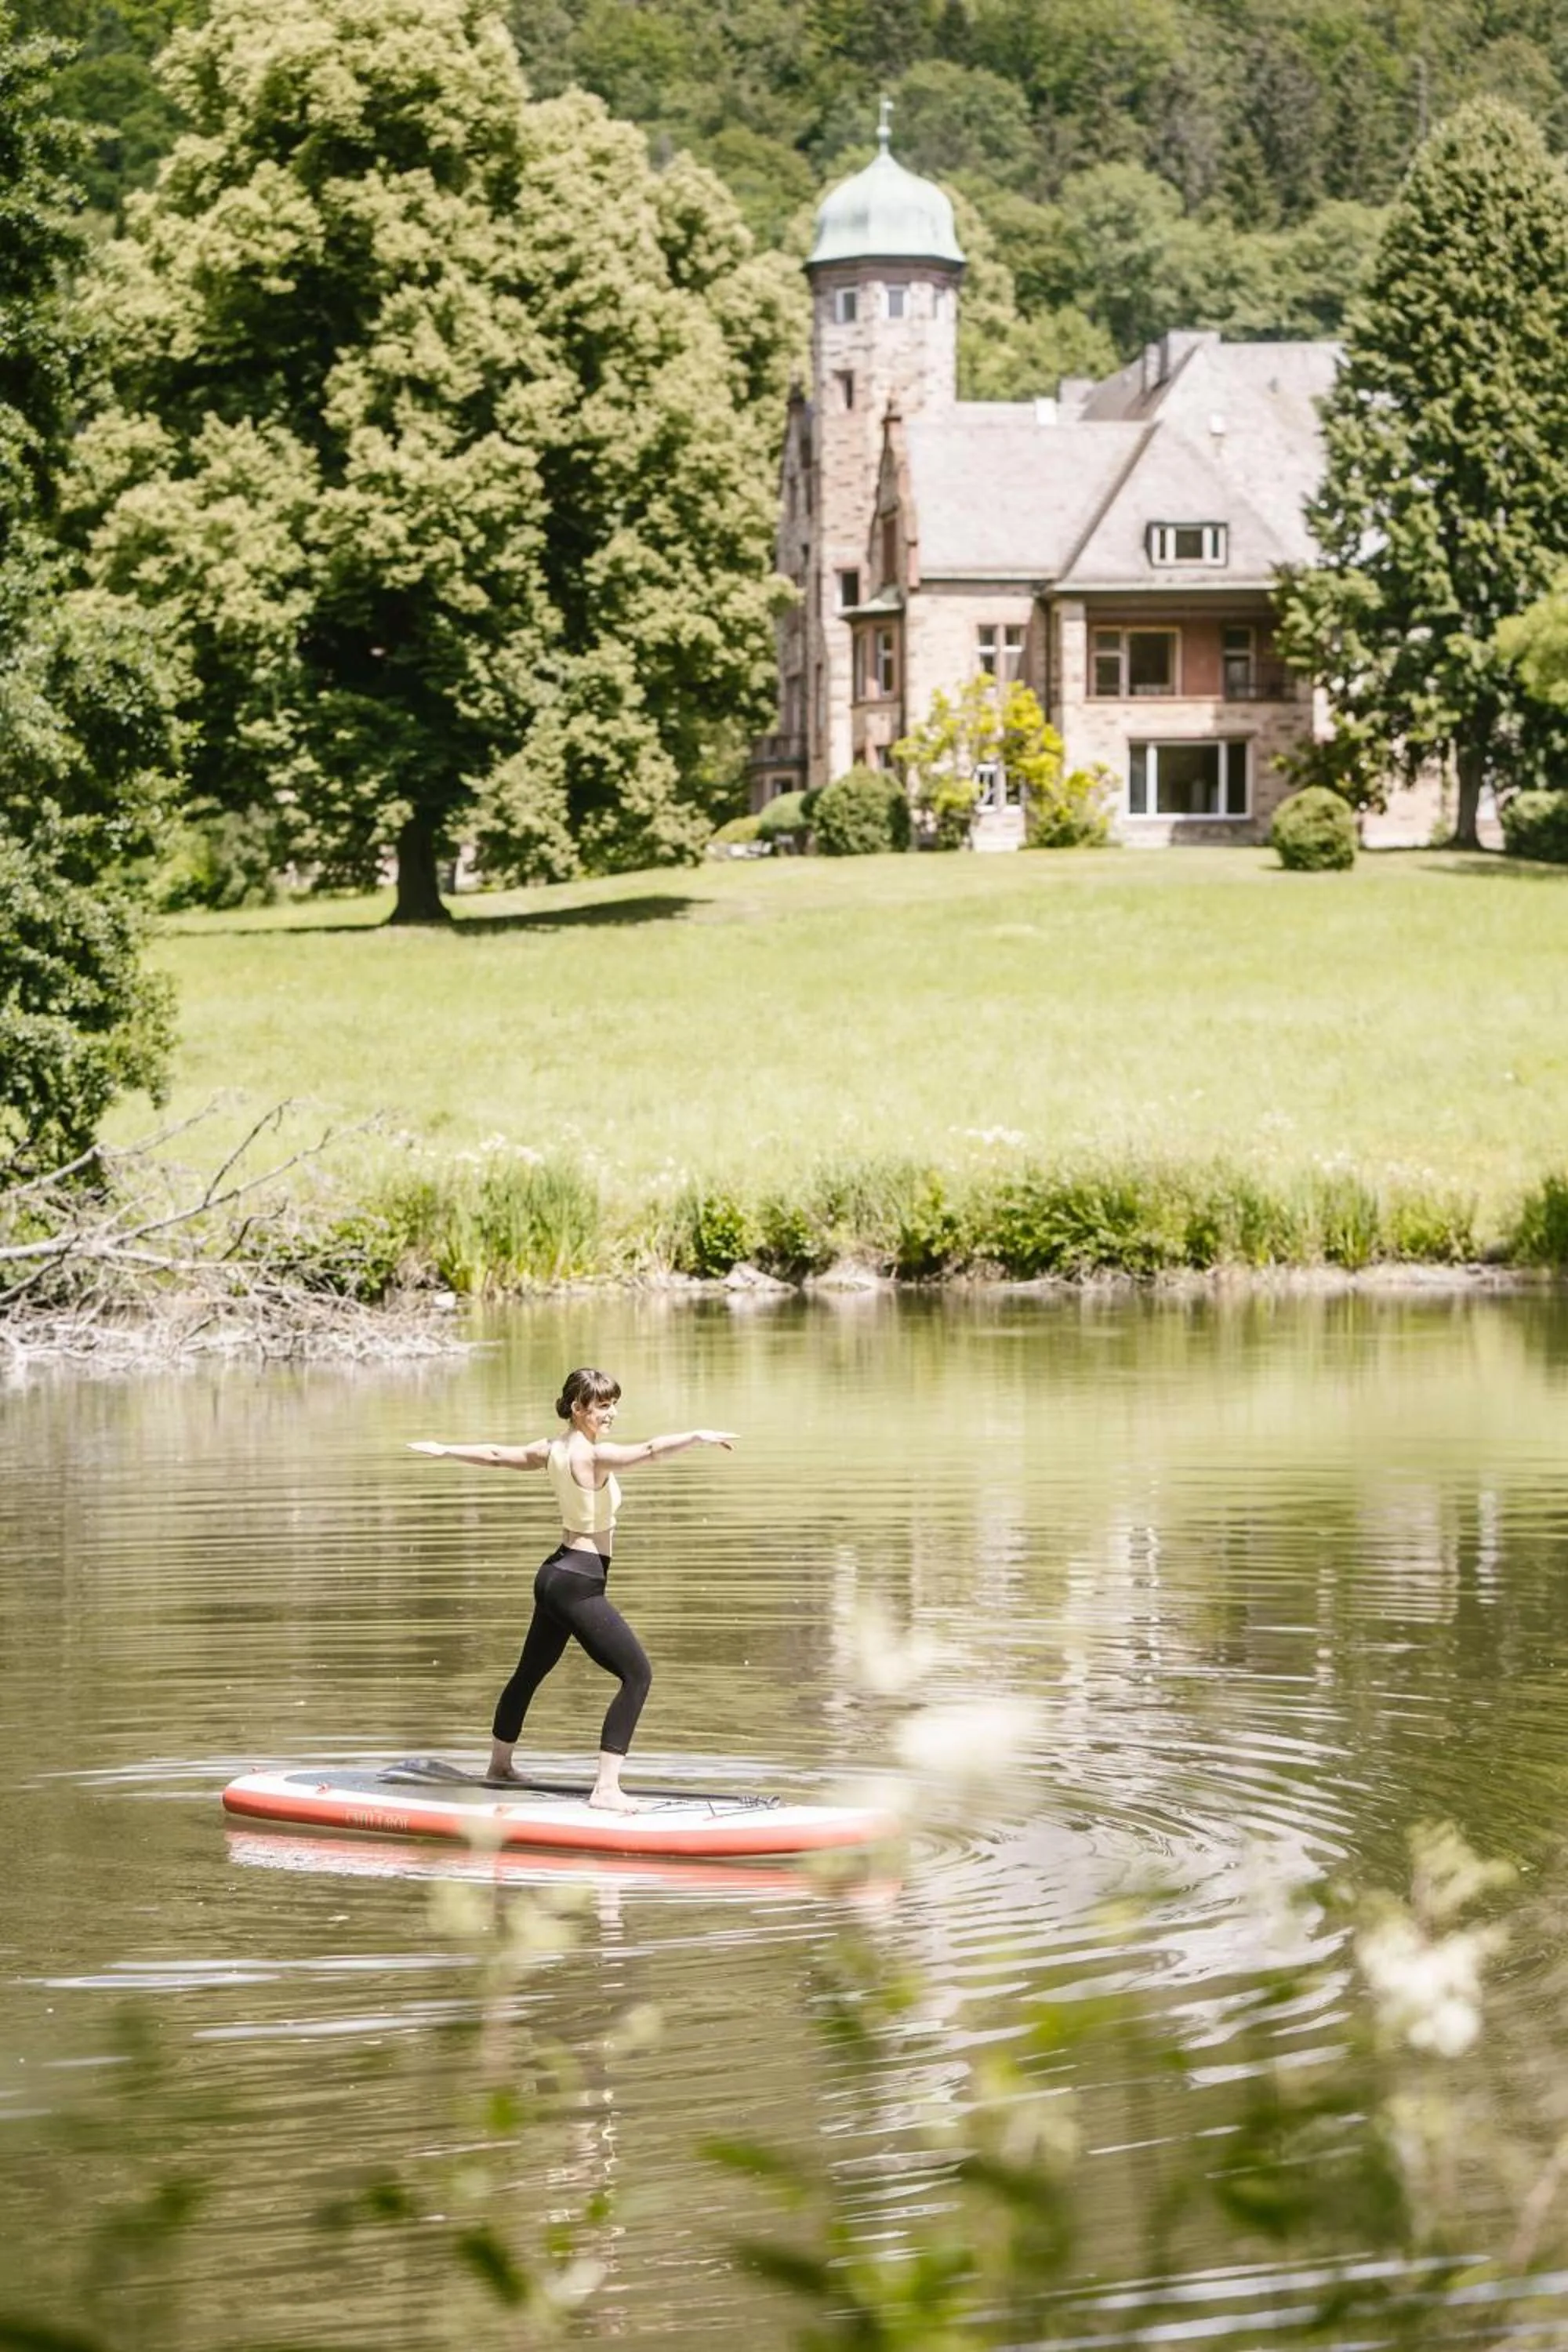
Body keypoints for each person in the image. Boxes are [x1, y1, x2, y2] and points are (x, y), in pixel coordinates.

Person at [409, 1367, 736, 1812]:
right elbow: (651, 1451)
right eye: (603, 1406)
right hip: (579, 1582)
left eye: (613, 1404)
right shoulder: (590, 1457)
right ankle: (605, 1789)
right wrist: (696, 1435)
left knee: (529, 1673)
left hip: (555, 1576)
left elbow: (494, 1454)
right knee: (637, 1675)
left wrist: (445, 1450)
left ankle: (499, 1767)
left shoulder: (552, 1449)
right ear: (578, 1408)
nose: (612, 1414)